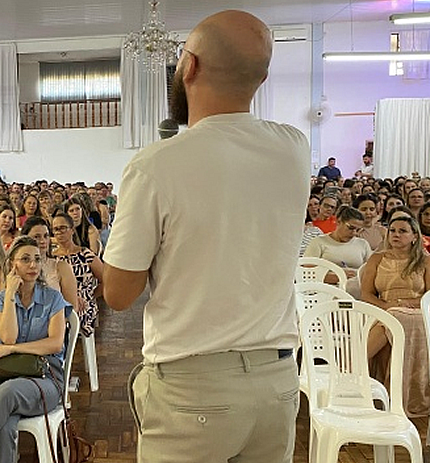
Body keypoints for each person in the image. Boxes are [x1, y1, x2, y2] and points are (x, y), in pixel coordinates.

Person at [102, 11, 309, 463]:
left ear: (188, 66)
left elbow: (118, 295)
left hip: (194, 390)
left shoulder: (154, 166)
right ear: (262, 78)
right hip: (276, 382)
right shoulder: (294, 148)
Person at [0, 236, 69, 463]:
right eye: (25, 259)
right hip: (4, 375)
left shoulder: (52, 298)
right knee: (4, 425)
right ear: (12, 265)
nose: (33, 265)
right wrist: (9, 296)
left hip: (46, 377)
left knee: (8, 392)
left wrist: (11, 349)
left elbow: (54, 344)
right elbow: (7, 336)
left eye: (37, 259)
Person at [362, 216, 430, 417]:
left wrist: (405, 305)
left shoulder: (426, 260)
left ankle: (354, 365)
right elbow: (366, 294)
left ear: (415, 236)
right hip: (383, 308)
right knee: (391, 318)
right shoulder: (377, 259)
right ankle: (360, 371)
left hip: (421, 312)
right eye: (393, 231)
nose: (396, 235)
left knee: (395, 318)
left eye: (402, 231)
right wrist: (387, 306)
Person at [52, 212, 104, 337]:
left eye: (63, 228)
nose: (59, 232)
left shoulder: (85, 254)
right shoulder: (52, 258)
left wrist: (90, 296)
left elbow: (105, 280)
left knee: (73, 314)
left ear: (72, 230)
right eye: (56, 229)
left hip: (84, 304)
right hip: (59, 304)